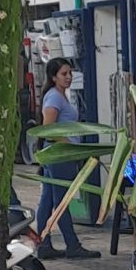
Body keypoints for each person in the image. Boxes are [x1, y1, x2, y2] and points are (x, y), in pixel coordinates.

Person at [35, 57, 96, 259]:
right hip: (60, 155)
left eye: (70, 73)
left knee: (48, 200)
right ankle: (72, 244)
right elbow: (48, 129)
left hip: (58, 154)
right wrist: (70, 147)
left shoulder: (61, 97)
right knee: (62, 201)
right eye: (64, 74)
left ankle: (43, 243)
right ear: (54, 77)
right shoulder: (54, 98)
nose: (68, 77)